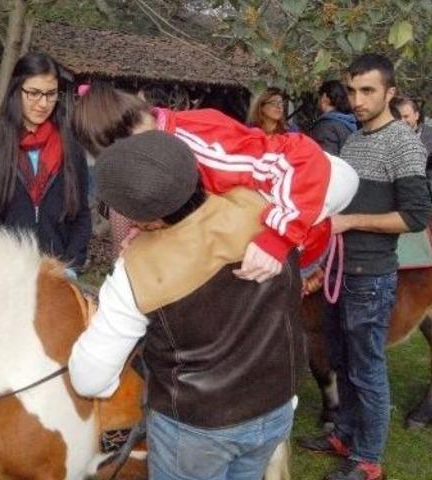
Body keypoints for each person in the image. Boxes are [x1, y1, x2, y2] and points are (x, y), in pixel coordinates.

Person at [69, 131, 304, 480]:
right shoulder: (265, 205)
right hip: (275, 406)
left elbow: (89, 378)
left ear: (147, 219)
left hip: (196, 431)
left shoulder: (136, 270)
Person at [298, 54, 432, 480]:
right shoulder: (354, 140)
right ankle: (344, 435)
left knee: (367, 370)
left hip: (371, 278)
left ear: (390, 92)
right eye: (353, 91)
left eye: (368, 91)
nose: (357, 100)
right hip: (341, 272)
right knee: (341, 360)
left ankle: (369, 460)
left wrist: (350, 221)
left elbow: (416, 216)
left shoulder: (403, 143)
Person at [72, 84, 358, 282]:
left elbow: (300, 159)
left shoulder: (197, 142)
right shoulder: (155, 150)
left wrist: (277, 238)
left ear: (127, 135)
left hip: (299, 227)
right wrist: (148, 229)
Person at [0, 53, 91, 276]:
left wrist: (70, 266)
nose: (43, 103)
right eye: (33, 93)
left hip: (56, 272)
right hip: (2, 273)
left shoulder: (70, 144)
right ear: (16, 90)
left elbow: (80, 213)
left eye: (50, 94)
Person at [310, 79, 358, 155]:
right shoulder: (349, 122)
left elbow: (327, 158)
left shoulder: (326, 126)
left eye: (318, 97)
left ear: (324, 97)